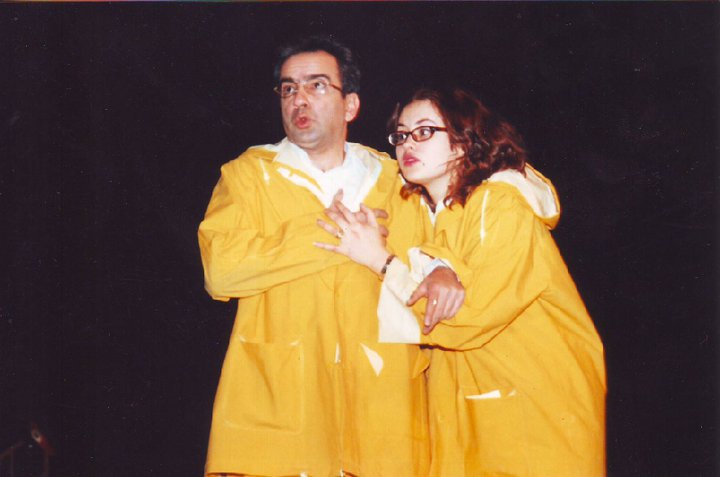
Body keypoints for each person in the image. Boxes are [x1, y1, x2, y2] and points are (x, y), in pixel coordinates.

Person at [198, 37, 463, 477]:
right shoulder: (249, 174)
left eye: (317, 85)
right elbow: (222, 270)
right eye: (288, 88)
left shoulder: (397, 178)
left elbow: (435, 247)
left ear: (350, 105)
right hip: (280, 418)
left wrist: (442, 269)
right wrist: (340, 232)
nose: (299, 98)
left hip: (383, 420)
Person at [315, 88, 607, 476]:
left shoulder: (500, 205)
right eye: (400, 135)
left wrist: (381, 261)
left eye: (424, 131)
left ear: (463, 140)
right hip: (466, 413)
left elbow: (464, 318)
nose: (407, 144)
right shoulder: (431, 212)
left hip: (535, 412)